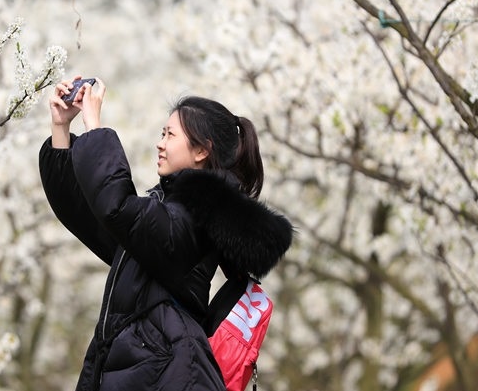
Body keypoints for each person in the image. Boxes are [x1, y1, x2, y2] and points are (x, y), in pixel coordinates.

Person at [38, 76, 293, 391]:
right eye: (162, 133)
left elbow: (116, 208)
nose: (160, 143)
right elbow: (88, 214)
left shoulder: (193, 223)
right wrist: (60, 129)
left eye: (170, 134)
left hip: (161, 366)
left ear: (201, 151)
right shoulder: (169, 214)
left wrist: (95, 126)